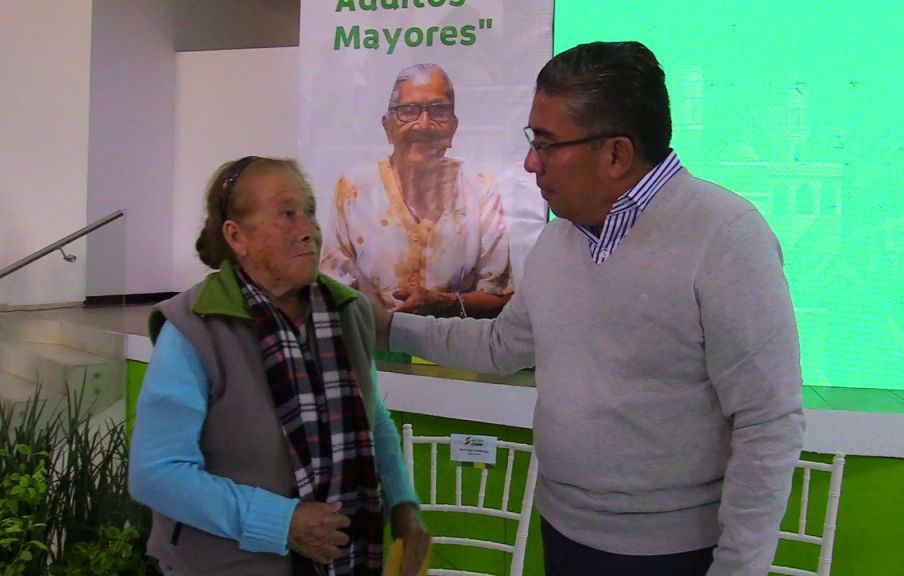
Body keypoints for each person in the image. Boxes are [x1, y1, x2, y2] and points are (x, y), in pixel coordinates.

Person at [376, 42, 804, 576]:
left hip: (674, 553)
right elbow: (502, 346)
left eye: (546, 144)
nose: (531, 162)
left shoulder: (726, 236)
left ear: (616, 154)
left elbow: (767, 420)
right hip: (563, 530)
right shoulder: (559, 240)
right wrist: (390, 329)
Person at [129, 156, 430, 576]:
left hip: (348, 559)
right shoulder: (194, 329)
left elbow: (371, 417)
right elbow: (156, 473)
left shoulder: (349, 312)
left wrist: (402, 505)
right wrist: (281, 522)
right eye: (286, 214)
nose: (309, 229)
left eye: (309, 211)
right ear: (236, 236)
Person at [320, 63, 514, 319]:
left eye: (438, 110)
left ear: (453, 126)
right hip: (376, 339)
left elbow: (499, 297)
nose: (423, 124)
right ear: (387, 126)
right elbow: (333, 289)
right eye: (408, 111)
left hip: (453, 342)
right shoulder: (355, 188)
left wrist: (447, 304)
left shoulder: (480, 189)